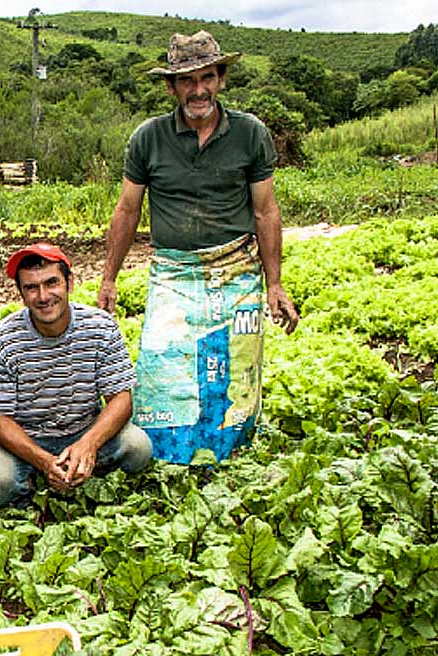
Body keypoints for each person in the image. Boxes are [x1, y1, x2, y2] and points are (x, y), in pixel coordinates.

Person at [97, 31, 300, 465]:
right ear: (171, 88)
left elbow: (265, 212)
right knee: (162, 367)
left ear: (221, 79)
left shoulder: (250, 134)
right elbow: (127, 211)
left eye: (206, 77)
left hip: (237, 273)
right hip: (174, 273)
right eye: (187, 81)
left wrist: (275, 284)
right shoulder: (148, 138)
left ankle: (229, 463)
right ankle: (169, 463)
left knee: (234, 373)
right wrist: (109, 277)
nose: (199, 90)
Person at [0, 243, 152, 508]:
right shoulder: (2, 341)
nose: (43, 296)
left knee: (138, 447)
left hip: (84, 428)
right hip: (28, 440)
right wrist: (44, 461)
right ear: (21, 294)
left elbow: (121, 400)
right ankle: (36, 491)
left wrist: (88, 445)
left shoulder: (100, 328)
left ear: (69, 283)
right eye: (31, 288)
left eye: (51, 283)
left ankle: (84, 473)